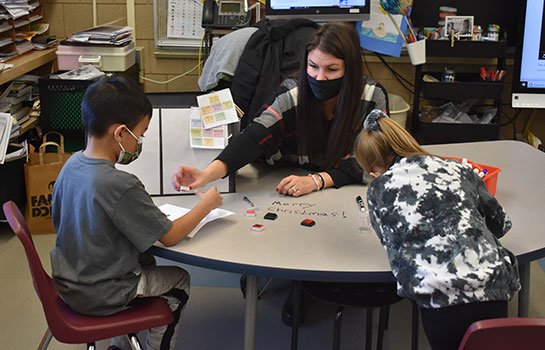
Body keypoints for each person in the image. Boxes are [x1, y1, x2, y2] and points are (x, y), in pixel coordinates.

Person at [171, 22, 388, 326]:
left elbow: (371, 160)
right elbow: (255, 135)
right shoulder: (293, 91)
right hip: (285, 174)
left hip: (342, 186)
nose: (319, 77)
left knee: (336, 239)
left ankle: (309, 287)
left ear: (349, 69)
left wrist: (316, 181)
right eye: (313, 66)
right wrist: (207, 174)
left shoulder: (372, 96)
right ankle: (286, 279)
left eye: (331, 70)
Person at [50, 75, 223, 350]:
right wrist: (206, 205)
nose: (139, 142)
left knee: (146, 262)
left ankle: (120, 345)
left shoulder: (70, 165)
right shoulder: (119, 184)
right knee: (180, 280)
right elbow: (170, 236)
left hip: (69, 283)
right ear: (120, 133)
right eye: (139, 134)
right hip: (102, 291)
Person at [354, 110, 521, 350]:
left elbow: (393, 246)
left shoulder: (379, 190)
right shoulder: (458, 169)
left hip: (439, 297)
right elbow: (501, 225)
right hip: (493, 286)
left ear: (373, 171)